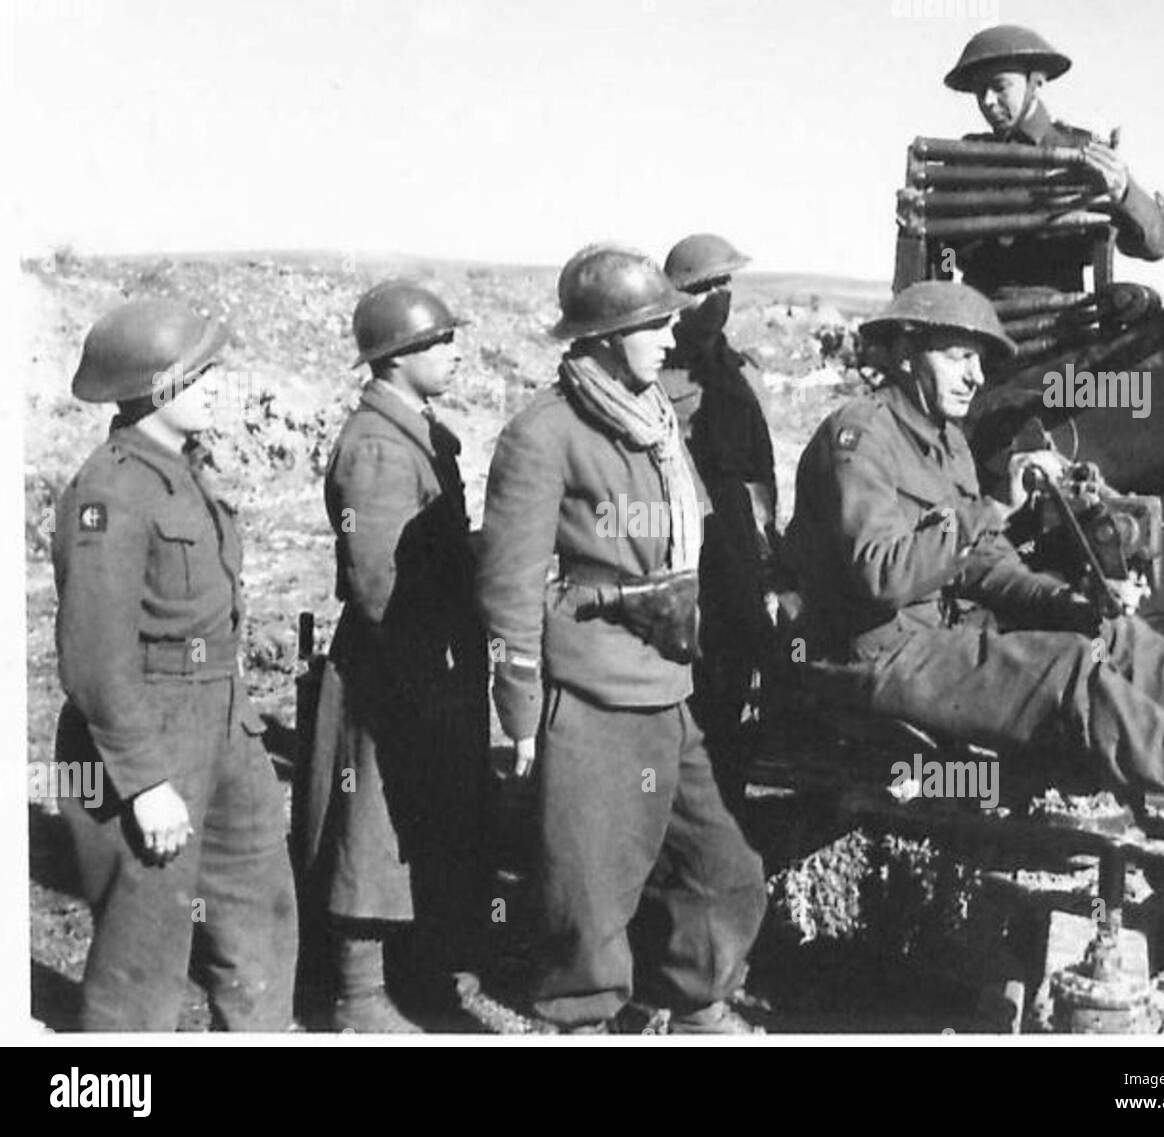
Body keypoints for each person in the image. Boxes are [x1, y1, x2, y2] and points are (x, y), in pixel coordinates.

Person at [780, 282, 1164, 838]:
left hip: (938, 635)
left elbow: (983, 562)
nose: (974, 375)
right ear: (903, 352)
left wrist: (1072, 603)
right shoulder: (861, 439)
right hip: (873, 654)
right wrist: (991, 508)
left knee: (1117, 638)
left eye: (979, 360)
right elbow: (881, 576)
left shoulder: (947, 440)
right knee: (1071, 671)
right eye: (956, 356)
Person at [476, 243, 767, 1033]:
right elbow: (509, 585)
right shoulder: (544, 434)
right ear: (605, 336)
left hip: (668, 685)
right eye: (654, 326)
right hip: (594, 692)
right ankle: (583, 1019)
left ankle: (686, 994)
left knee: (723, 872)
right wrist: (520, 711)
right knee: (589, 896)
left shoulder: (655, 420)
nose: (671, 341)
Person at [53, 299, 298, 1030]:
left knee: (259, 911)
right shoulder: (109, 493)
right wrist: (146, 780)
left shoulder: (181, 471)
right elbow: (94, 657)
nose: (218, 384)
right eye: (202, 371)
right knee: (144, 940)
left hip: (223, 720)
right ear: (157, 387)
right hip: (150, 728)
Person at [294, 280, 489, 1032]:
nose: (456, 352)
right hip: (393, 662)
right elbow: (381, 581)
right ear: (398, 355)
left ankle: (408, 973)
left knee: (418, 821)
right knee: (368, 828)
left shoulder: (418, 430)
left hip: (430, 653)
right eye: (442, 342)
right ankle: (357, 993)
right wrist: (424, 671)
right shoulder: (377, 446)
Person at [661, 233, 778, 802]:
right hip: (684, 557)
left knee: (735, 688)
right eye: (703, 287)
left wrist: (768, 555)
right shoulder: (653, 378)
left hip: (737, 554)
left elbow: (763, 469)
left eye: (725, 284)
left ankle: (724, 814)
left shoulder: (740, 373)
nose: (718, 298)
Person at [940, 25, 1164, 296]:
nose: (988, 101)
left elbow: (1155, 245)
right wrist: (947, 289)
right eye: (980, 92)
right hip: (976, 322)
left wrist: (1123, 194)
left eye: (1000, 87)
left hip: (1062, 324)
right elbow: (946, 247)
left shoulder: (1081, 153)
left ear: (1035, 83)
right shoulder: (964, 163)